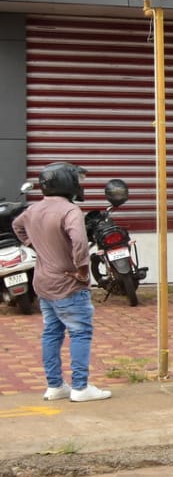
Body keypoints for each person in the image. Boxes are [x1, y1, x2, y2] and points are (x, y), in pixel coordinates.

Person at [13, 163, 110, 403]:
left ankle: (55, 386)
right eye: (77, 180)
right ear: (67, 183)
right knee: (80, 333)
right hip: (68, 283)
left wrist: (34, 245)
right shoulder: (70, 210)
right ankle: (80, 387)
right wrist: (82, 269)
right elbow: (79, 241)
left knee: (51, 333)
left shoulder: (33, 209)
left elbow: (17, 225)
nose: (80, 184)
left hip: (43, 282)